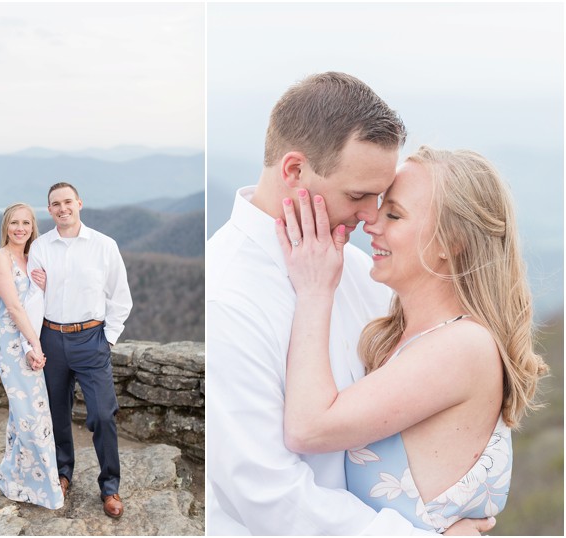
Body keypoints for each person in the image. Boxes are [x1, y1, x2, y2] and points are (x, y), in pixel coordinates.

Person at [207, 72, 495, 535]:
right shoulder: (227, 295)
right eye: (357, 195)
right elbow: (265, 494)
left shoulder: (362, 272)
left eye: (380, 198)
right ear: (294, 171)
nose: (370, 216)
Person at [278, 147, 547, 533]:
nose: (371, 222)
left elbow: (307, 428)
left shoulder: (462, 348)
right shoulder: (398, 335)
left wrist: (315, 290)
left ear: (449, 243)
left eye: (394, 214)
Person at [24, 181, 133, 519]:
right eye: (55, 204)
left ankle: (110, 487)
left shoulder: (104, 245)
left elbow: (120, 297)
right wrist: (34, 342)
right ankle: (62, 473)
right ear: (49, 210)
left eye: (67, 201)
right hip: (51, 338)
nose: (62, 208)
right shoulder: (40, 247)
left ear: (79, 203)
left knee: (102, 414)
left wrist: (108, 338)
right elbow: (32, 297)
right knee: (56, 412)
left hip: (91, 338)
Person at [0, 202, 64, 509]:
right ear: (6, 226)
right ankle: (38, 486)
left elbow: (39, 302)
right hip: (12, 343)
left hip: (33, 337)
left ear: (33, 227)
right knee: (31, 416)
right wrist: (35, 345)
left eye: (26, 223)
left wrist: (46, 285)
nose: (20, 228)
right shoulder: (0, 258)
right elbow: (15, 307)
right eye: (14, 223)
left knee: (26, 414)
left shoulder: (33, 257)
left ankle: (15, 479)